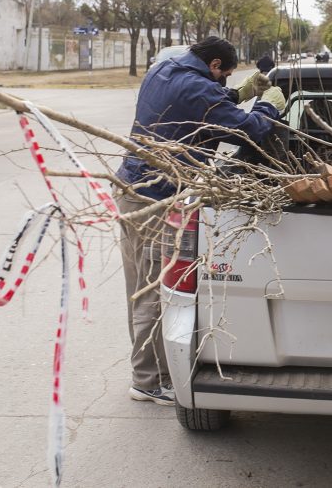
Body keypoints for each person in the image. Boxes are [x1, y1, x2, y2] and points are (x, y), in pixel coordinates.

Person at [114, 37, 286, 404]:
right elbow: (248, 130)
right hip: (157, 200)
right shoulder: (198, 88)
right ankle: (147, 381)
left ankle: (152, 373)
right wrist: (268, 106)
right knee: (154, 292)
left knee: (141, 288)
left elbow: (206, 106)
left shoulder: (165, 69)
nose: (224, 82)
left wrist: (240, 93)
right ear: (214, 65)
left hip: (131, 190)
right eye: (225, 76)